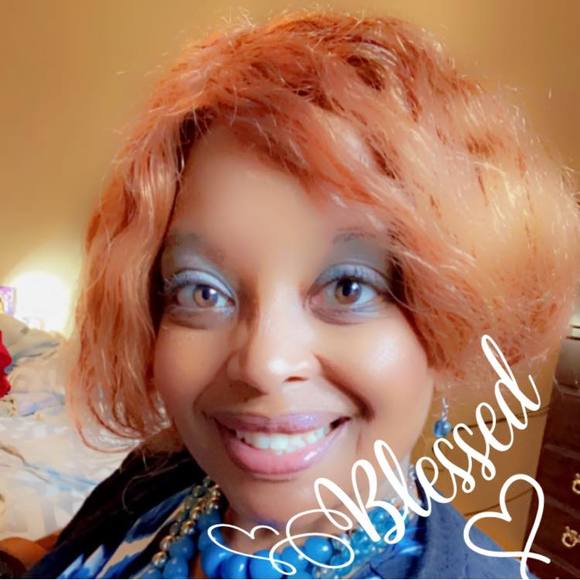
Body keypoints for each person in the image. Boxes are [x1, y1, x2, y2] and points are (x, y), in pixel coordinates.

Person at [25, 9, 579, 579]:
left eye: (348, 287)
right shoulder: (157, 477)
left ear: (451, 322)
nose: (263, 364)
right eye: (202, 291)